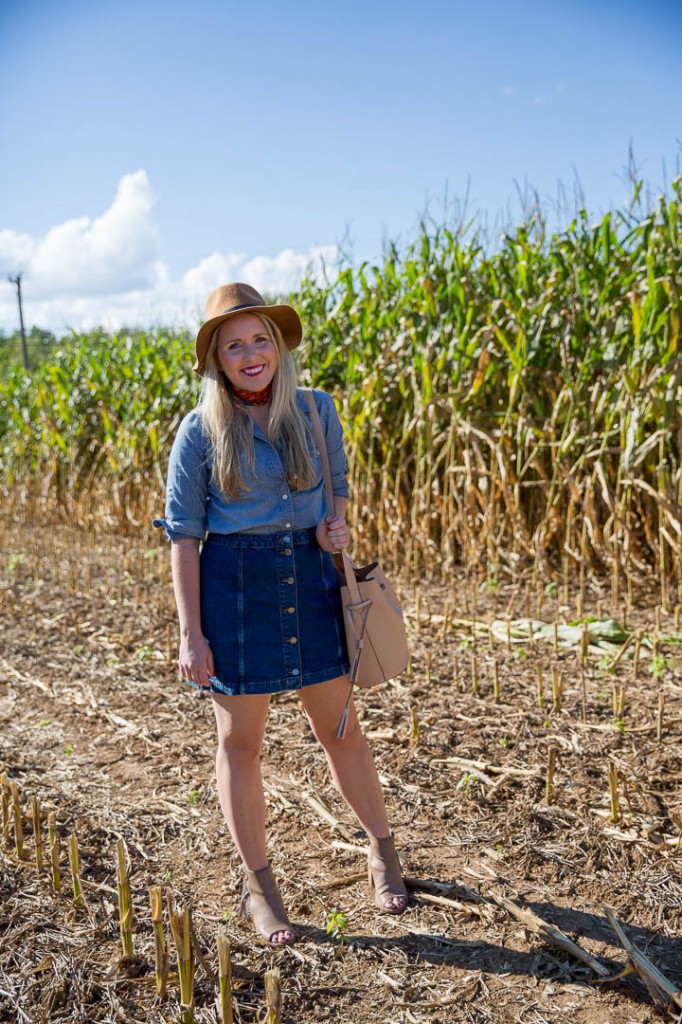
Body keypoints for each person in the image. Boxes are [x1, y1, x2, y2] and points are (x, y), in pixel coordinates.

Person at [154, 283, 408, 945]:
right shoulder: (199, 430)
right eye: (234, 344)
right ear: (216, 358)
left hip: (311, 579)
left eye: (259, 339)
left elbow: (339, 490)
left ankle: (383, 850)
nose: (250, 354)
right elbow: (183, 534)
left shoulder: (317, 411)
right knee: (240, 746)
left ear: (279, 345)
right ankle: (260, 888)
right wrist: (191, 633)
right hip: (235, 589)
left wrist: (336, 530)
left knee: (343, 732)